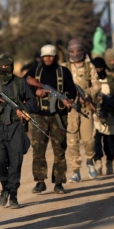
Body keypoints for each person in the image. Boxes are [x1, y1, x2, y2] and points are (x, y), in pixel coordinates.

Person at [25, 45, 77, 193]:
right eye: (45, 57)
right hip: (39, 115)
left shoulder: (63, 72)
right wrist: (37, 91)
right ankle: (40, 181)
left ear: (55, 57)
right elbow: (24, 84)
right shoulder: (35, 70)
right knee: (38, 150)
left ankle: (59, 182)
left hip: (58, 117)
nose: (48, 59)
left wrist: (68, 99)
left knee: (59, 150)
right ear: (41, 57)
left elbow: (72, 90)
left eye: (50, 56)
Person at [0, 54, 37, 209]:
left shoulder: (20, 83)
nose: (4, 69)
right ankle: (5, 187)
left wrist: (23, 110)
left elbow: (32, 102)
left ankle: (13, 196)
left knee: (16, 162)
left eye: (6, 66)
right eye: (1, 66)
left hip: (16, 126)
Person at [63, 39, 101, 182]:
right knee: (72, 142)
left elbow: (97, 85)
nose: (75, 54)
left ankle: (90, 162)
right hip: (71, 110)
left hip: (85, 109)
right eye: (72, 51)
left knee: (88, 140)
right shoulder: (64, 67)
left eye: (78, 51)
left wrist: (87, 93)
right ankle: (75, 171)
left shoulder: (88, 67)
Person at [92, 57, 114, 175]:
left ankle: (109, 163)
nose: (98, 71)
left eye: (100, 68)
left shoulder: (111, 80)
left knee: (110, 142)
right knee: (95, 142)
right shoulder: (91, 81)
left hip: (110, 117)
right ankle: (98, 161)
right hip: (95, 117)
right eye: (96, 69)